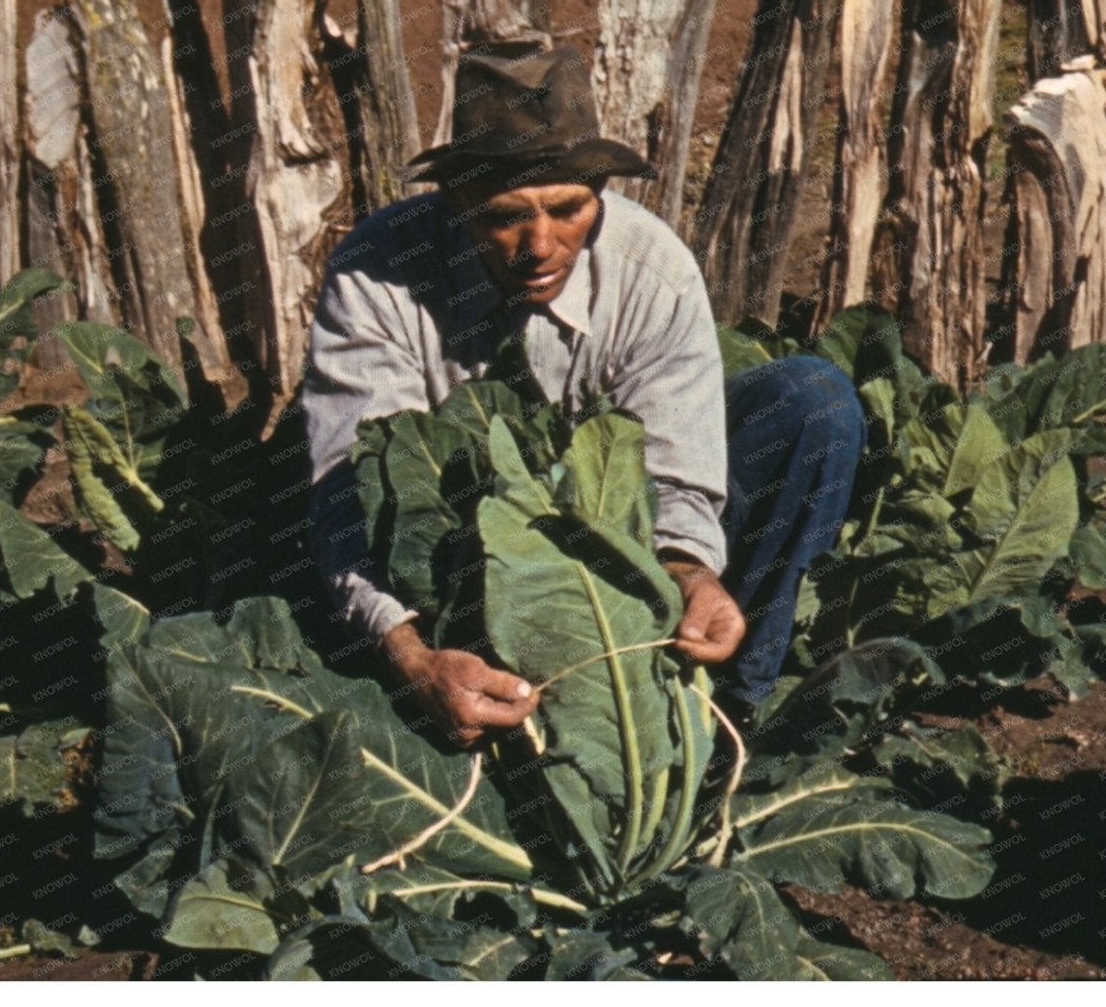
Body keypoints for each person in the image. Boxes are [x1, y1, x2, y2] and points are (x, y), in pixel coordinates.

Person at [302, 40, 864, 749]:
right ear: (459, 203)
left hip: (616, 543)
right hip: (459, 570)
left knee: (815, 401)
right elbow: (349, 495)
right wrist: (413, 658)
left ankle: (728, 722)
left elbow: (678, 470)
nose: (540, 244)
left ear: (598, 192)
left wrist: (691, 572)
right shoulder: (376, 275)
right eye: (505, 216)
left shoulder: (651, 270)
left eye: (568, 209)